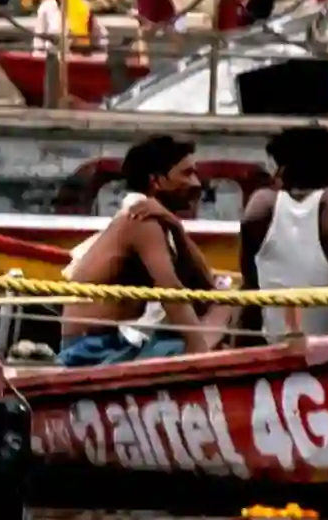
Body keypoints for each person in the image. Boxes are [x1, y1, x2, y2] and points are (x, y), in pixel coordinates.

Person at [55, 130, 219, 361]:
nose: (196, 183)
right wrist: (202, 358)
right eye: (187, 173)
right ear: (156, 181)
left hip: (111, 342)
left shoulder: (159, 221)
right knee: (193, 340)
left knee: (227, 304)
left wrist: (176, 226)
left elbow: (207, 287)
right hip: (93, 349)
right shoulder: (141, 220)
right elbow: (171, 292)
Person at [234, 121, 328, 342]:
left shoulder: (260, 206)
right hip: (314, 350)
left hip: (281, 348)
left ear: (283, 168)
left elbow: (250, 288)